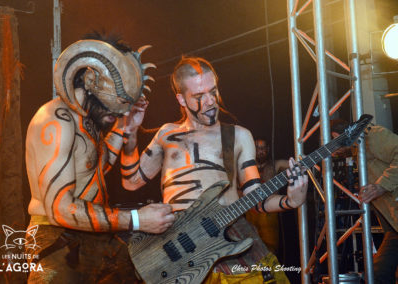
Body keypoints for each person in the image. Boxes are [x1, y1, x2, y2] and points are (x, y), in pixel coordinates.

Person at [121, 56, 308, 283]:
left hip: (229, 240)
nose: (210, 101)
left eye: (213, 91)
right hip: (176, 249)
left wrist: (290, 201)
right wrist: (130, 137)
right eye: (199, 96)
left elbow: (256, 199)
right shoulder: (166, 134)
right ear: (181, 99)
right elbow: (131, 182)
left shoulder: (238, 136)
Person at [25, 35, 175, 283]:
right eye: (117, 106)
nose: (121, 113)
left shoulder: (89, 123)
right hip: (55, 236)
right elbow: (59, 210)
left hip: (94, 234)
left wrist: (125, 128)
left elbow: (96, 168)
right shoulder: (57, 118)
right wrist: (138, 220)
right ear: (92, 81)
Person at [331, 119, 398, 283]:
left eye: (332, 143)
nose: (333, 149)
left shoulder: (373, 135)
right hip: (394, 227)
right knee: (377, 275)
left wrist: (381, 186)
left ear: (338, 136)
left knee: (378, 274)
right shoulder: (357, 145)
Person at [245, 138, 289, 255]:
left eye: (263, 148)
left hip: (269, 212)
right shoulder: (247, 167)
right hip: (251, 212)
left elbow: (293, 164)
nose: (260, 151)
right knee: (251, 248)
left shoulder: (275, 164)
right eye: (257, 148)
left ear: (268, 149)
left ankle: (271, 272)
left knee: (270, 248)